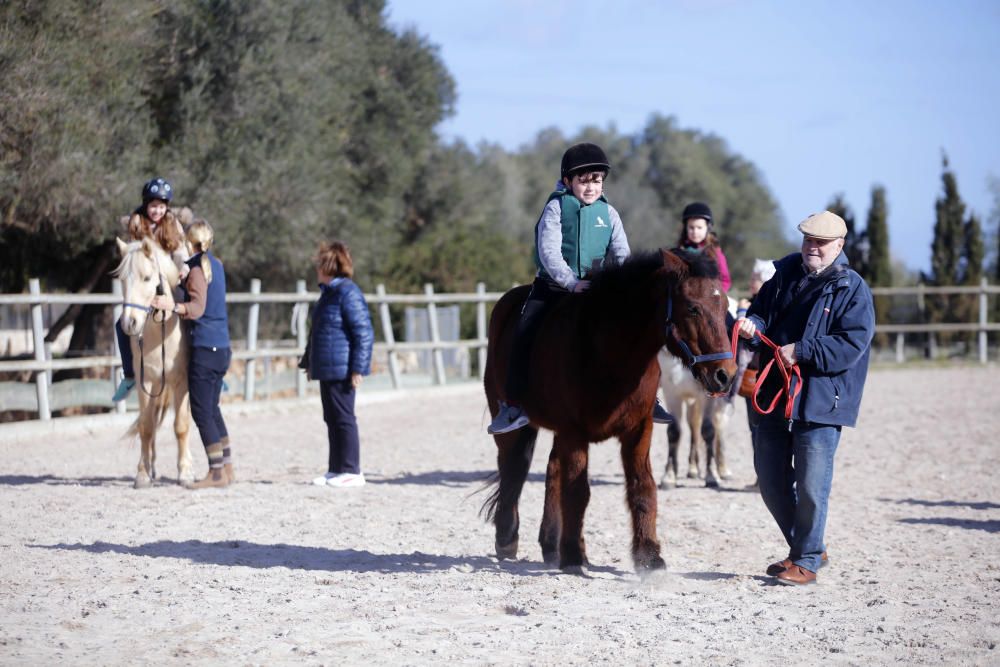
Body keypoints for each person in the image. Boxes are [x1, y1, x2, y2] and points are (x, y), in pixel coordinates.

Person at [487, 142, 673, 434]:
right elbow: (548, 251)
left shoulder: (609, 214)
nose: (590, 187)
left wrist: (621, 285)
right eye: (583, 181)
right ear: (567, 181)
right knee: (524, 331)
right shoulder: (555, 208)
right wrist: (571, 283)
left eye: (596, 181)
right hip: (554, 287)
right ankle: (513, 405)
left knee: (639, 330)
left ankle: (649, 397)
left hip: (597, 290)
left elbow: (621, 252)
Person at [735, 211, 875, 585]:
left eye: (821, 242)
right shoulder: (783, 276)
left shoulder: (853, 289)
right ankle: (807, 545)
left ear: (838, 247)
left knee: (813, 485)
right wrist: (753, 325)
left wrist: (803, 351)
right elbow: (761, 312)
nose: (812, 248)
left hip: (821, 400)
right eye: (808, 240)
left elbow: (852, 344)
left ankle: (807, 560)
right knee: (769, 479)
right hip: (775, 392)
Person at [151, 220, 233, 489]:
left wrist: (171, 304)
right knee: (213, 408)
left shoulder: (199, 269)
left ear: (189, 243)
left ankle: (216, 472)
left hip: (205, 349)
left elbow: (197, 309)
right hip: (221, 348)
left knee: (200, 411)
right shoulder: (216, 266)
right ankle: (227, 467)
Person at [301, 241, 374, 488]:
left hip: (343, 368)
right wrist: (309, 361)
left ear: (328, 266)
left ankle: (352, 470)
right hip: (327, 367)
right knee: (331, 418)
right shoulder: (327, 294)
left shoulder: (348, 293)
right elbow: (317, 333)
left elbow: (363, 332)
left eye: (320, 264)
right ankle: (336, 468)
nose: (317, 269)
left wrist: (358, 368)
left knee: (344, 418)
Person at [112, 177, 190, 402]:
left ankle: (202, 365)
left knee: (191, 312)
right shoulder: (136, 223)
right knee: (121, 324)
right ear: (146, 204)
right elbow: (133, 253)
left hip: (169, 278)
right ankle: (129, 374)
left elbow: (181, 250)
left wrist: (183, 267)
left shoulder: (173, 224)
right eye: (153, 205)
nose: (157, 210)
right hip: (146, 280)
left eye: (161, 206)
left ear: (167, 207)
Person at [674, 202, 732, 292]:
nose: (695, 232)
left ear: (708, 228)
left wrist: (716, 293)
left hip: (710, 298)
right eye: (691, 227)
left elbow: (725, 280)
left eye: (699, 228)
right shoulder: (680, 251)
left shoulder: (716, 253)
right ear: (686, 228)